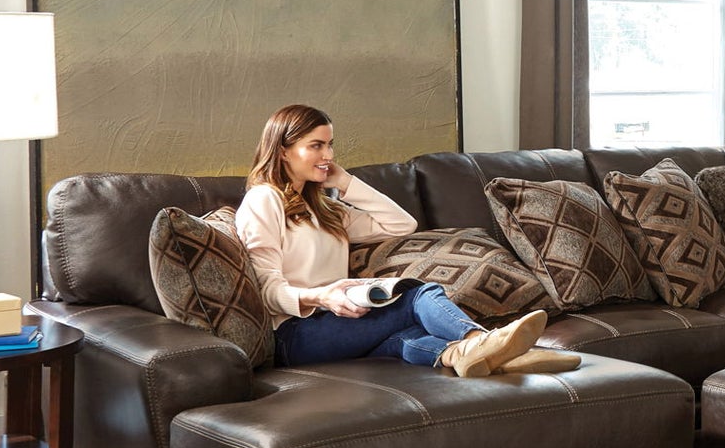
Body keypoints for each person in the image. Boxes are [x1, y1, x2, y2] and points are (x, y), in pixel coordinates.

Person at [234, 104, 556, 376]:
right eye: (316, 146)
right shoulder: (264, 199)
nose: (328, 155)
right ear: (283, 150)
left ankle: (470, 356)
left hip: (339, 321)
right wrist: (321, 297)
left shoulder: (326, 209)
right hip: (294, 335)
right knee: (418, 295)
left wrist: (345, 182)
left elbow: (401, 224)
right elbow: (267, 290)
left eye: (330, 145)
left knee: (403, 338)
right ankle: (483, 341)